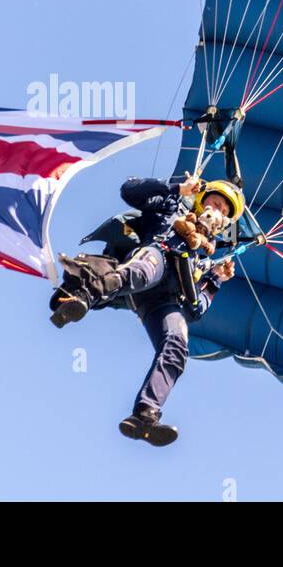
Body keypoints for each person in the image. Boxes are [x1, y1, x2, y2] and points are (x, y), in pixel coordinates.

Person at [48, 174, 246, 446]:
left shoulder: (202, 259)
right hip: (154, 258)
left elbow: (196, 308)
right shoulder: (172, 208)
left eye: (225, 212)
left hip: (164, 299)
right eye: (215, 202)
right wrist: (177, 187)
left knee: (177, 345)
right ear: (202, 200)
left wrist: (215, 281)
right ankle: (83, 295)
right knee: (141, 271)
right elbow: (128, 190)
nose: (218, 211)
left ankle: (145, 414)